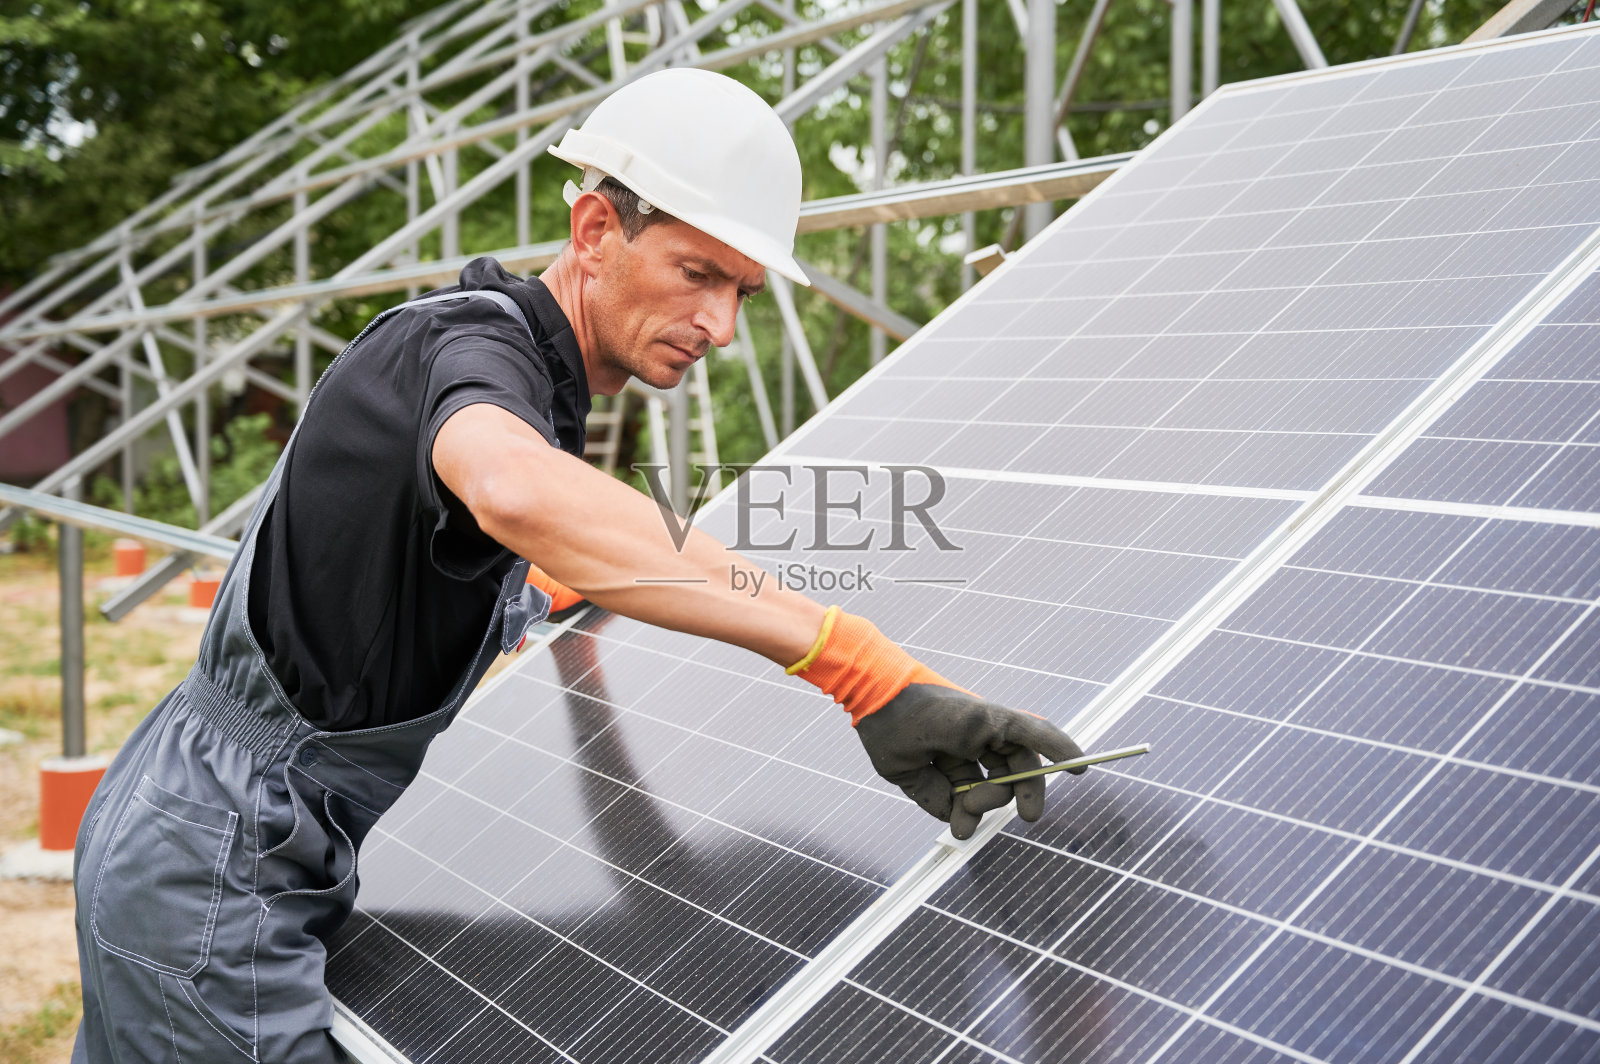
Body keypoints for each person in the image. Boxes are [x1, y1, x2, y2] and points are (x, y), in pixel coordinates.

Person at [71, 67, 1085, 1064]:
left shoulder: (523, 379)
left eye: (742, 290)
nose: (721, 327)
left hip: (227, 842)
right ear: (595, 231)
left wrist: (540, 596)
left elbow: (429, 547)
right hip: (216, 861)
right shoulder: (469, 350)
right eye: (697, 273)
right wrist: (851, 661)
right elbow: (513, 488)